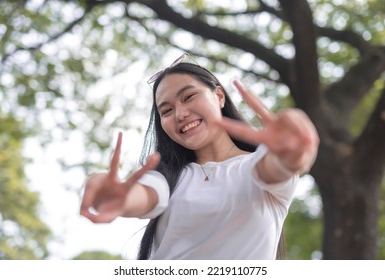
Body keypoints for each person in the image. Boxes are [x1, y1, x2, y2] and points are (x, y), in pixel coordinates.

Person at [80, 53, 319, 260]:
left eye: (188, 97)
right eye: (167, 110)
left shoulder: (257, 165)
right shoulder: (165, 174)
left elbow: (276, 168)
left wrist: (292, 152)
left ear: (219, 96)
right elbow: (145, 196)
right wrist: (120, 199)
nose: (180, 114)